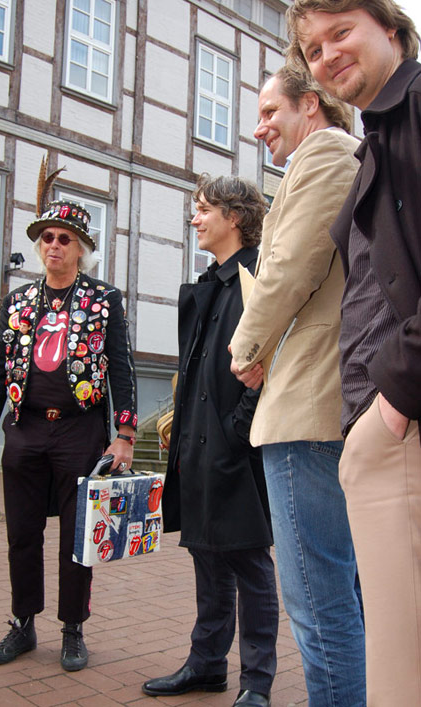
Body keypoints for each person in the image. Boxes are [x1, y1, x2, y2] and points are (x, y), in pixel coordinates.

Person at [286, 2, 421, 704]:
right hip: (383, 420)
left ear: (390, 29)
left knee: (401, 674)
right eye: (313, 49)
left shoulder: (414, 106)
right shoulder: (381, 135)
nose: (328, 54)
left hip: (399, 422)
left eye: (342, 32)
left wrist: (395, 399)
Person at [229, 65, 365, 707]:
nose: (259, 127)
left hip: (308, 407)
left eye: (269, 111)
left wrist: (246, 349)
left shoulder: (327, 153)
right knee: (337, 595)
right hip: (314, 398)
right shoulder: (327, 158)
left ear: (310, 104)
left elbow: (290, 268)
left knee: (318, 602)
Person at [0, 173, 137, 672]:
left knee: (76, 535)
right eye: (47, 237)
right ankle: (23, 624)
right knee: (22, 532)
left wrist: (124, 435)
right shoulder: (19, 301)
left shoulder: (104, 300)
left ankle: (72, 629)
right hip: (25, 429)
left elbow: (122, 368)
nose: (54, 246)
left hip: (79, 429)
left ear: (81, 248)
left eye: (65, 239)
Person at [142, 174, 278, 707]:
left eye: (203, 209)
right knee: (207, 558)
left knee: (249, 565)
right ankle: (207, 665)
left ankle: (257, 682)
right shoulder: (209, 283)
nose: (194, 218)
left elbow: (269, 366)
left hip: (236, 450)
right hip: (196, 447)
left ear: (234, 217)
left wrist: (235, 434)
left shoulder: (258, 278)